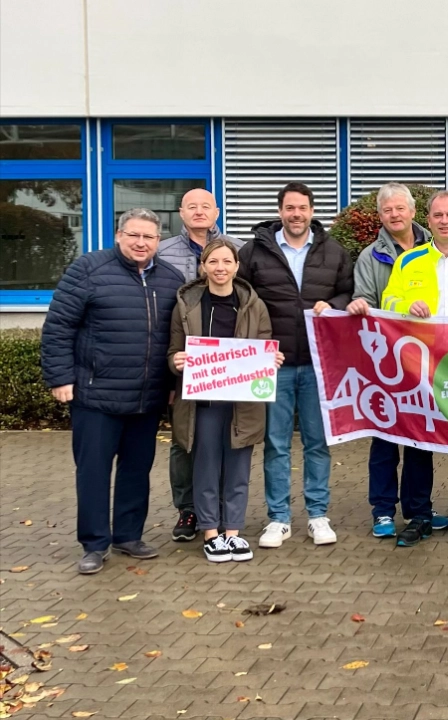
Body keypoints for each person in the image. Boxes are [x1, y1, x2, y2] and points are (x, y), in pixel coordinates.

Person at [353, 189, 448, 550]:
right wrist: (407, 304)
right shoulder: (410, 261)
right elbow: (388, 300)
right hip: (422, 365)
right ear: (429, 220)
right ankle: (418, 514)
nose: (445, 221)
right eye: (438, 216)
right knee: (419, 442)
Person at [41, 208, 185, 574]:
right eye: (134, 235)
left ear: (158, 241)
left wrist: (170, 385)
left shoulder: (170, 279)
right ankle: (94, 544)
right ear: (119, 235)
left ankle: (128, 535)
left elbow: (175, 339)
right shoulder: (88, 269)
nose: (141, 243)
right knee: (93, 471)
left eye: (149, 237)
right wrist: (60, 379)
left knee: (137, 469)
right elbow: (58, 327)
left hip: (147, 396)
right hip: (96, 396)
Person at [238, 182, 354, 548]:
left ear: (312, 210)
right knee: (276, 443)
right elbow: (239, 298)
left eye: (302, 208)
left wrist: (332, 303)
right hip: (275, 363)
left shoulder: (334, 251)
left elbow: (349, 291)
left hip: (320, 364)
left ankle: (318, 515)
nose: (296, 214)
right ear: (280, 210)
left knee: (318, 442)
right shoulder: (253, 251)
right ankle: (279, 518)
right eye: (290, 208)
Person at [168, 239, 283, 563]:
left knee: (238, 467)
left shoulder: (253, 304)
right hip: (202, 402)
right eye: (213, 262)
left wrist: (270, 360)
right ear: (203, 267)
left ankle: (232, 532)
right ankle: (210, 533)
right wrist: (176, 361)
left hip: (242, 402)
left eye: (226, 262)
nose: (220, 268)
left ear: (236, 266)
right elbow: (172, 350)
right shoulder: (187, 304)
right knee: (204, 467)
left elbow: (263, 344)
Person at [344, 183, 441, 545]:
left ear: (414, 212)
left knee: (421, 437)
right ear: (380, 216)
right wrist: (359, 305)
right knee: (384, 437)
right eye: (388, 211)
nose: (395, 215)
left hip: (427, 358)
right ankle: (383, 509)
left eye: (401, 208)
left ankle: (419, 509)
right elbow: (365, 300)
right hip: (384, 358)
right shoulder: (371, 257)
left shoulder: (438, 251)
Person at [155, 188, 243, 543]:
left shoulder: (236, 247)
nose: (199, 212)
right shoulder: (162, 252)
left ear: (216, 211)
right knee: (184, 441)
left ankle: (219, 510)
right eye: (192, 206)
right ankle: (188, 509)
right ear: (181, 212)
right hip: (179, 361)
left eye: (205, 206)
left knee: (220, 440)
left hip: (227, 371)